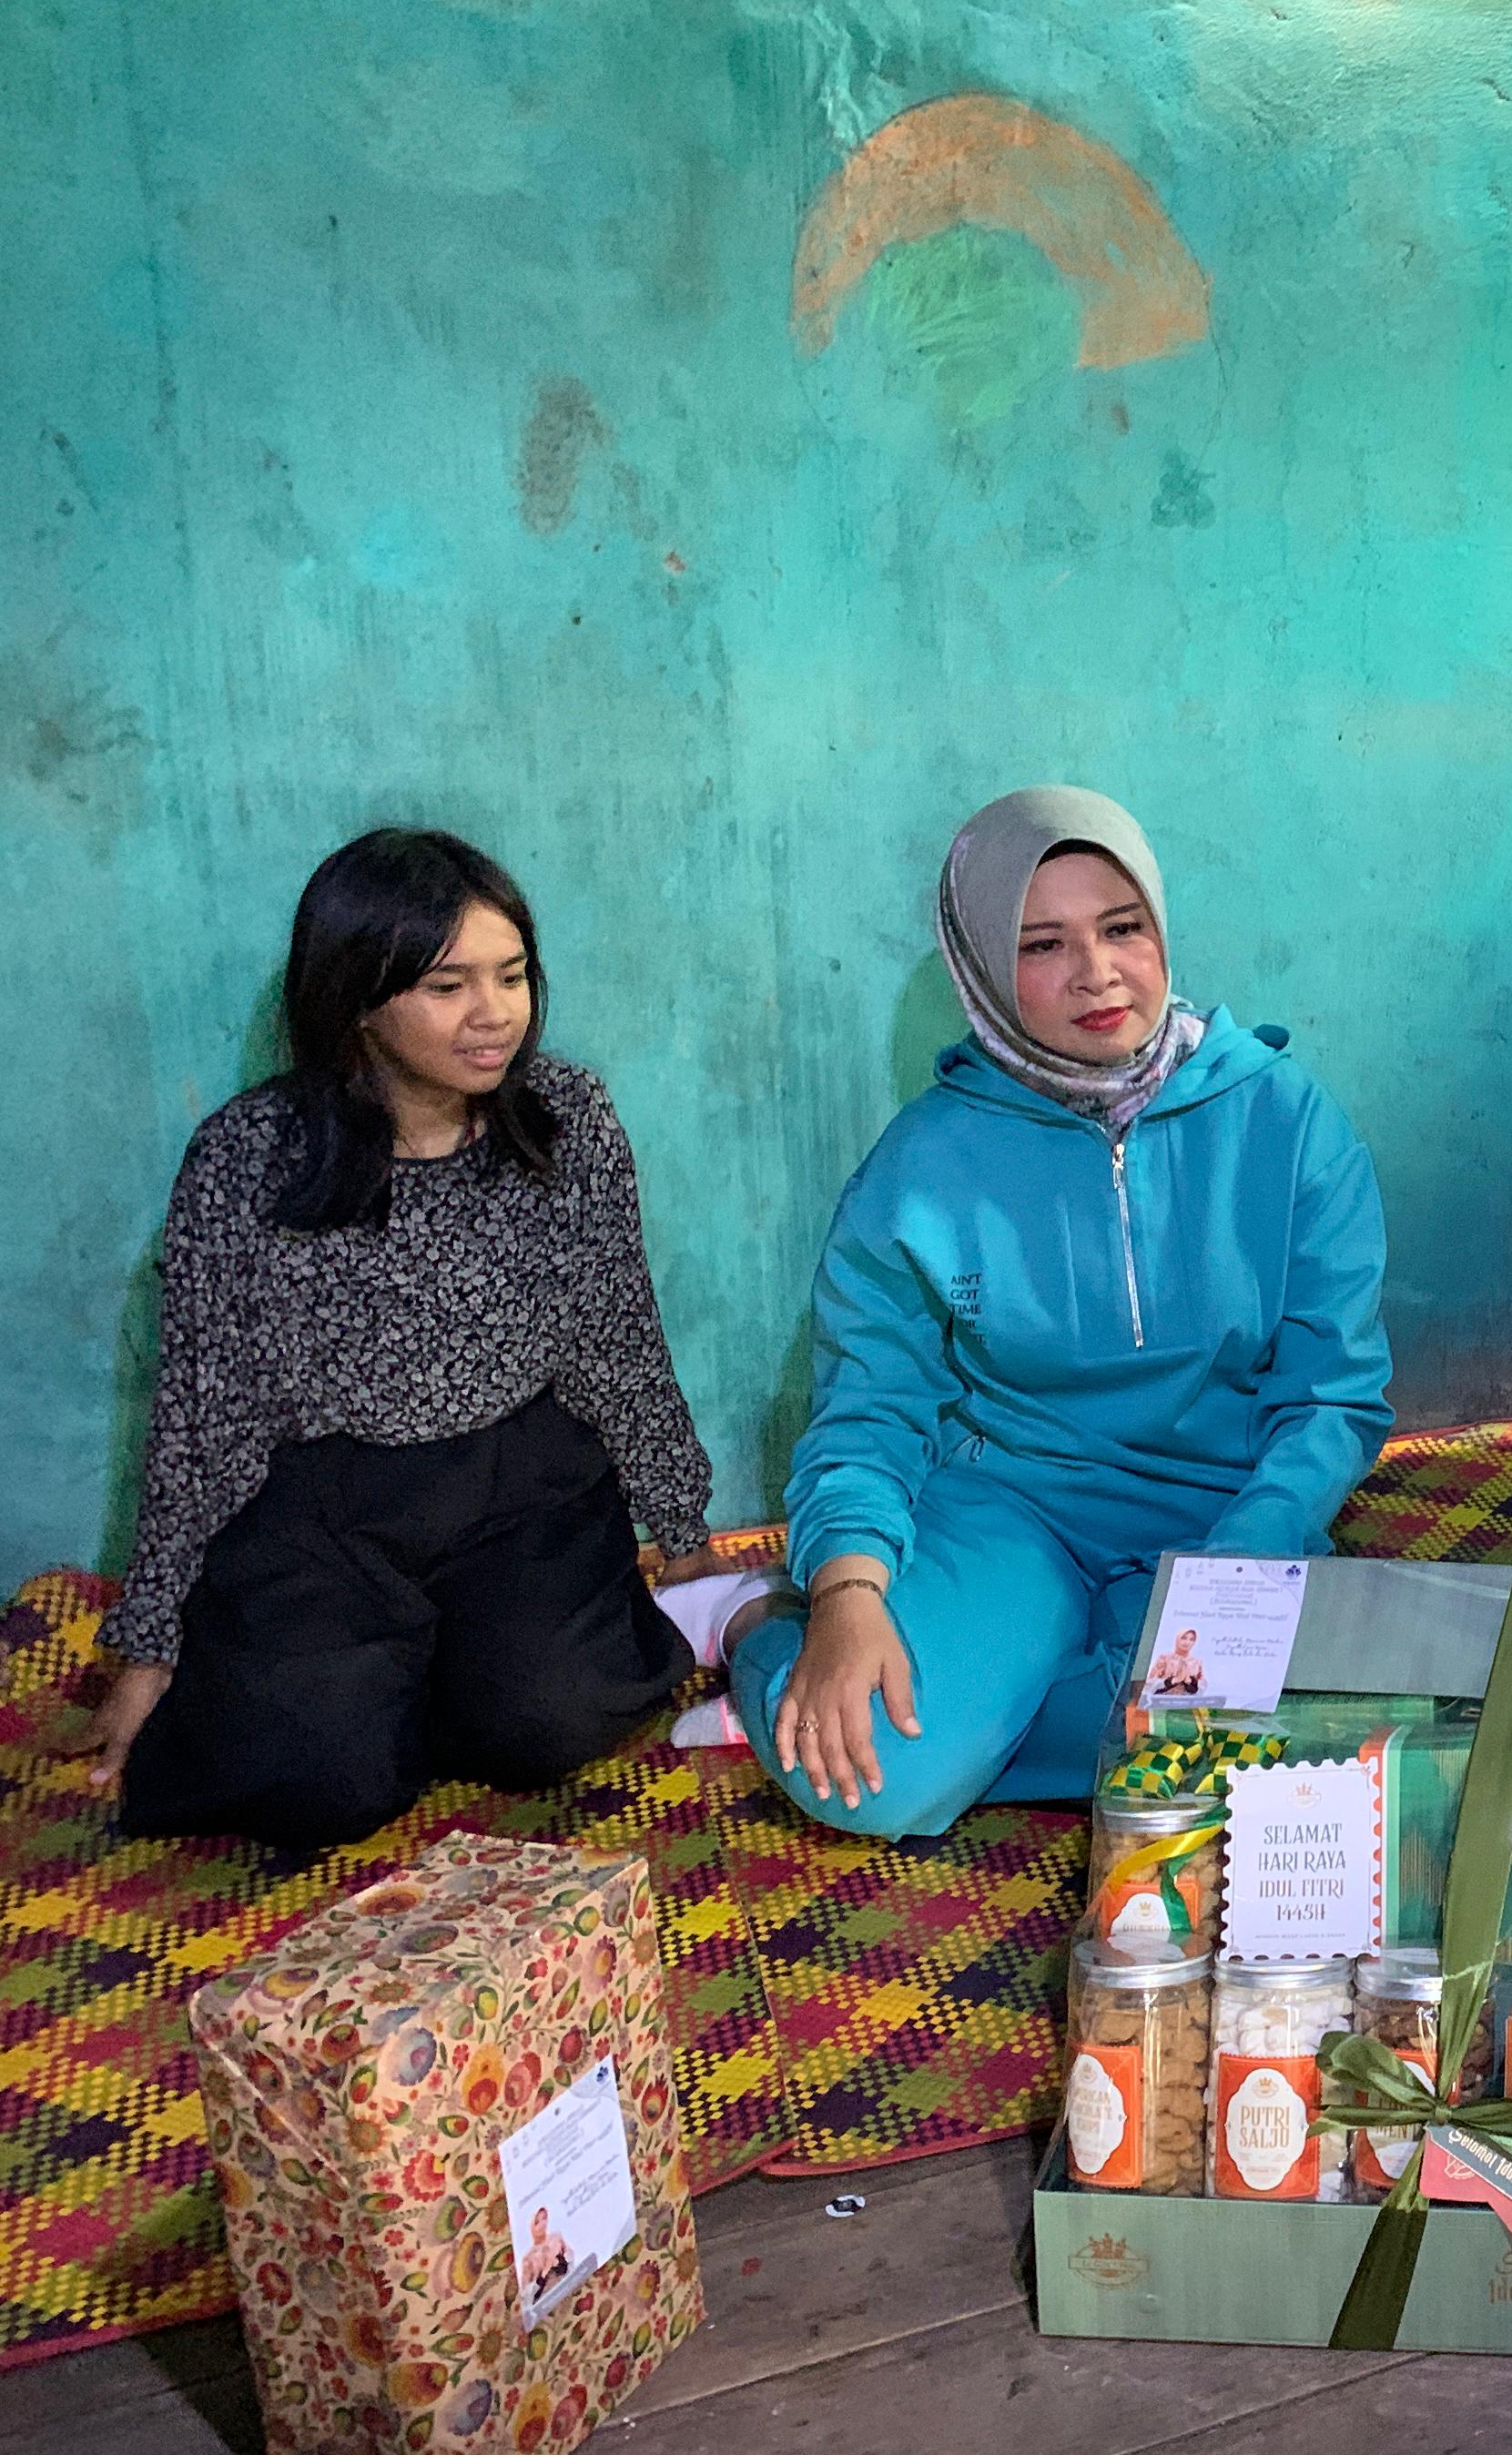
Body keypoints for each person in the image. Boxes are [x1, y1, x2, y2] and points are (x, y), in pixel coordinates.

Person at [717, 787, 1391, 1840]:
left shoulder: (1284, 1118)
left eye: (1123, 928)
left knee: (1318, 1749)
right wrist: (847, 1592)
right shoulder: (923, 1167)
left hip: (1228, 1516)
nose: (1098, 973)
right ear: (982, 969)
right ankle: (764, 1631)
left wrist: (1239, 1569)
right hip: (1012, 1513)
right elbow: (872, 1407)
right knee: (877, 1775)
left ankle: (1039, 1690)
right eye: (1043, 944)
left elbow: (1333, 1396)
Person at [86, 828, 764, 1844]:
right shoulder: (251, 1156)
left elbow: (619, 1333)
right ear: (357, 997)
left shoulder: (566, 1121)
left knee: (553, 1723)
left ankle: (467, 1667)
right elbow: (200, 1414)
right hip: (320, 1511)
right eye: (448, 985)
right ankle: (371, 1687)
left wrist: (679, 1533)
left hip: (520, 1488)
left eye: (513, 975)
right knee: (318, 1785)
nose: (495, 1015)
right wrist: (149, 1650)